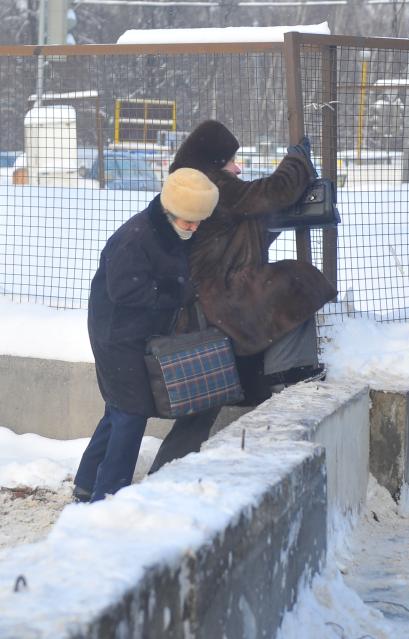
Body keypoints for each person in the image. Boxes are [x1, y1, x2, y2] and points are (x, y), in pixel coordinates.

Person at [73, 168, 220, 502]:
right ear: (170, 211)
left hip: (135, 335)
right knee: (131, 412)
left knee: (117, 409)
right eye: (189, 222)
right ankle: (109, 498)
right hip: (116, 336)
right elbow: (125, 290)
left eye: (199, 221)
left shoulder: (169, 230)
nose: (194, 228)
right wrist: (176, 291)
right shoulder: (136, 237)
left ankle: (86, 485)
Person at [169, 120, 338, 403]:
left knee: (285, 286)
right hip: (218, 295)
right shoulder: (210, 185)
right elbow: (273, 191)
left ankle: (285, 373)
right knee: (294, 282)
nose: (237, 168)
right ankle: (289, 376)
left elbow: (241, 225)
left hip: (213, 293)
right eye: (231, 162)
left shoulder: (195, 184)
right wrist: (297, 160)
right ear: (214, 162)